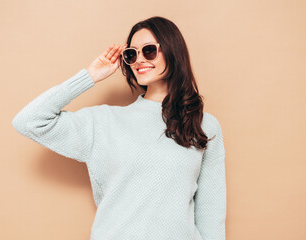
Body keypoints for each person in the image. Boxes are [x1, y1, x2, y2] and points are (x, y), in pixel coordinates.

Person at [12, 16, 226, 240]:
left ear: (173, 51)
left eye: (149, 50)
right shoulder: (104, 122)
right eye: (132, 54)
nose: (139, 60)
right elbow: (28, 121)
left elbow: (211, 215)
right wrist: (90, 76)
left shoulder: (203, 125)